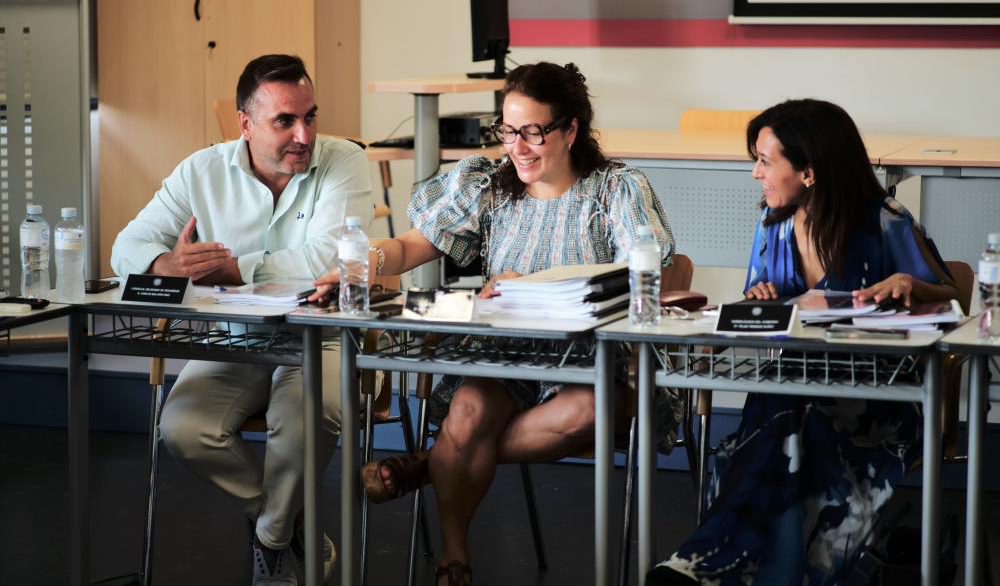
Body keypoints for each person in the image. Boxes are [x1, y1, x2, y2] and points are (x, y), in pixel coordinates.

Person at [312, 61, 680, 586]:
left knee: (585, 410)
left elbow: (655, 272)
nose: (518, 146)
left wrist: (547, 287)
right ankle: (453, 561)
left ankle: (435, 461)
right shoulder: (488, 186)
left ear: (570, 129)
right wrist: (359, 262)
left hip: (596, 363)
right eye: (508, 131)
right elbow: (409, 247)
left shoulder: (613, 190)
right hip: (508, 353)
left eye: (534, 132)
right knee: (466, 408)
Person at [647, 99, 958, 585]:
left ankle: (706, 566)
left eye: (765, 161)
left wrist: (909, 284)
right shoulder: (772, 227)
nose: (755, 174)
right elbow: (759, 312)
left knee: (792, 432)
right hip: (794, 381)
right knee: (782, 423)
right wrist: (761, 299)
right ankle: (723, 567)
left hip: (879, 394)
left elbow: (954, 296)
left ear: (809, 171)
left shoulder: (884, 219)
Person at [111, 54, 374, 585]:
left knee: (305, 419)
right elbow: (126, 246)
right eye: (285, 121)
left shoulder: (343, 160)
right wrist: (168, 265)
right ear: (245, 124)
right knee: (184, 429)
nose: (304, 134)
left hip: (319, 337)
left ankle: (271, 543)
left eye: (311, 116)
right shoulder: (201, 170)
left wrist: (232, 271)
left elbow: (331, 257)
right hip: (236, 341)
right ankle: (290, 526)